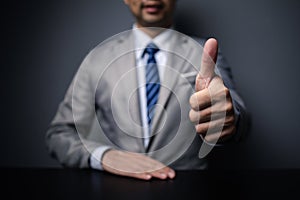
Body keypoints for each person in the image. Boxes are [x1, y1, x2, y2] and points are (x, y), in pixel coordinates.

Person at [46, 0, 248, 180]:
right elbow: (59, 134)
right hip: (119, 190)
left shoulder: (204, 52)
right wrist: (104, 156)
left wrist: (229, 118)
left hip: (188, 186)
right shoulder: (98, 58)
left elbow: (243, 121)